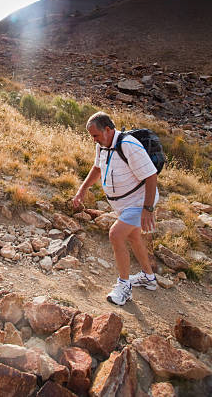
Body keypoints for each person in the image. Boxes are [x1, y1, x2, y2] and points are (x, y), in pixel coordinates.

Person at [73, 111, 158, 305]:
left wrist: (148, 209)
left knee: (116, 234)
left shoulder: (129, 145)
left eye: (95, 135)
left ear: (109, 129)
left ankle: (124, 286)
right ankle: (149, 278)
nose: (94, 139)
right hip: (123, 204)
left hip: (139, 202)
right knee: (134, 237)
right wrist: (82, 190)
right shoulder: (101, 146)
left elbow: (151, 176)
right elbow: (97, 168)